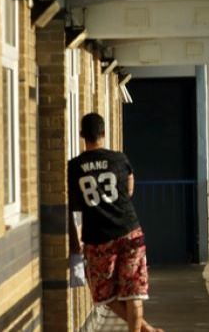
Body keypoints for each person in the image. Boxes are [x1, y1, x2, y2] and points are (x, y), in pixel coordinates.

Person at [68, 112, 163, 332]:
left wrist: (74, 243)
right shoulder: (119, 159)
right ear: (103, 133)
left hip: (97, 239)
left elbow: (72, 209)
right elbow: (129, 188)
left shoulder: (74, 167)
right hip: (129, 230)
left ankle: (148, 330)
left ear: (81, 134)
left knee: (103, 294)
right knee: (134, 292)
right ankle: (145, 329)